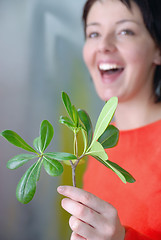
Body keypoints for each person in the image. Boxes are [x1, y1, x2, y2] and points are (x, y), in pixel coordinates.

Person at [57, 0, 161, 239]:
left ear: (158, 49)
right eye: (93, 33)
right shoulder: (95, 147)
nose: (103, 46)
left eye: (125, 31)